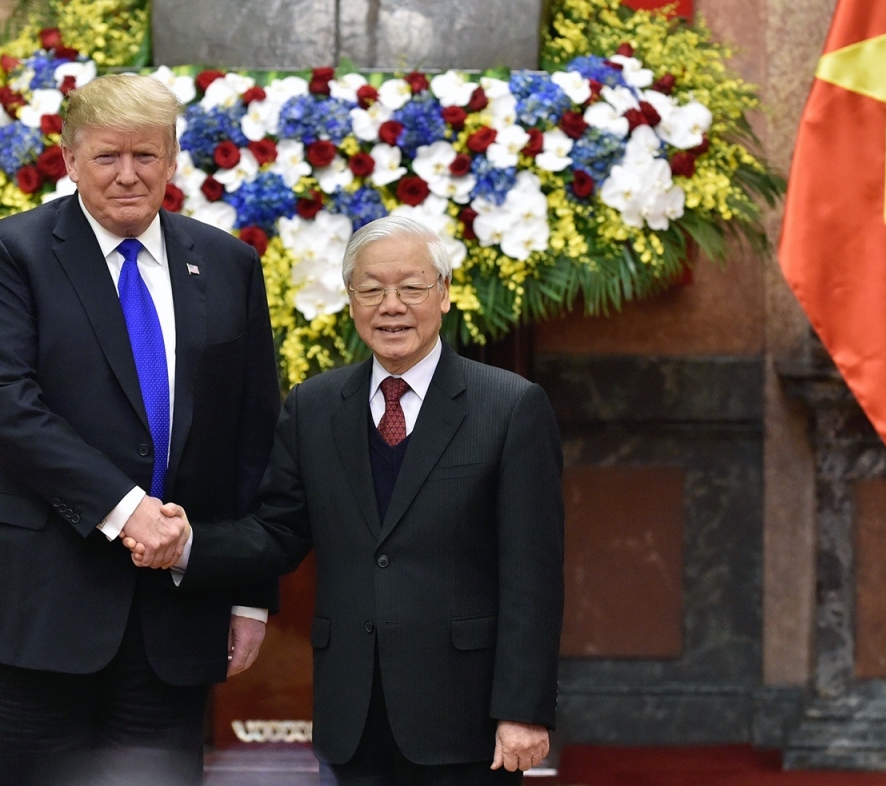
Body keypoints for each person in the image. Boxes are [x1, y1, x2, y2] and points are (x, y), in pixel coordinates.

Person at [136, 216, 565, 785]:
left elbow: (532, 573)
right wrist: (188, 544)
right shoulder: (313, 407)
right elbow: (277, 532)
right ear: (351, 299)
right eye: (372, 289)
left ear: (444, 294)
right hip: (350, 714)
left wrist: (523, 709)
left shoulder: (509, 406)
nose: (391, 306)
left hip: (465, 716)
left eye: (412, 288)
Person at [0, 73, 281, 786]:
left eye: (146, 156)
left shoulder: (228, 266)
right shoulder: (10, 254)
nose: (128, 175)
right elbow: (6, 403)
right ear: (70, 159)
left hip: (174, 617)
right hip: (33, 607)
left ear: (173, 158)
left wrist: (248, 590)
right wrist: (128, 510)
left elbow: (253, 436)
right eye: (107, 156)